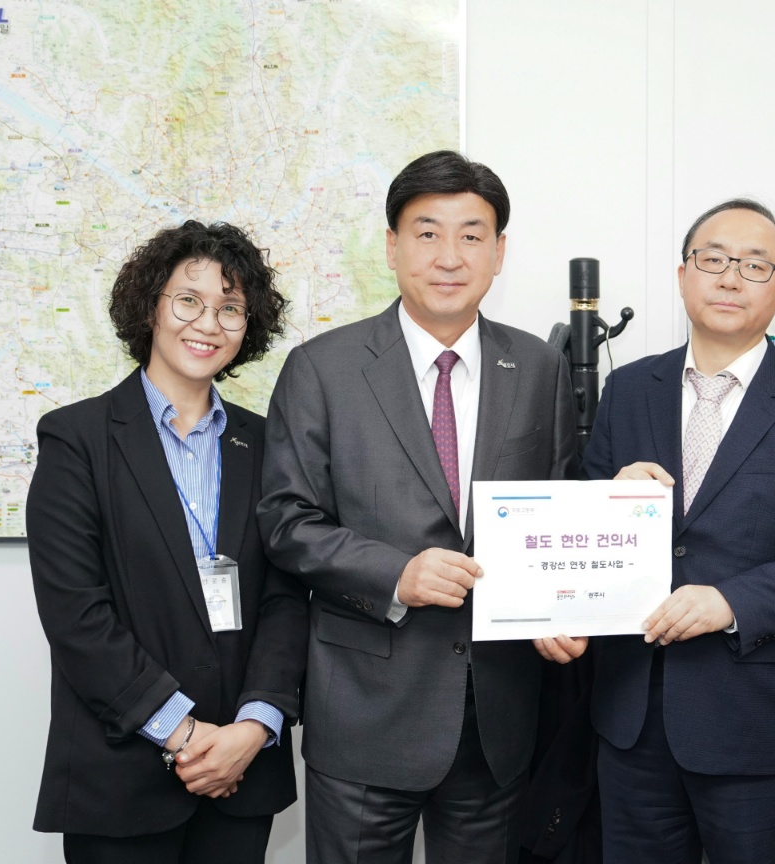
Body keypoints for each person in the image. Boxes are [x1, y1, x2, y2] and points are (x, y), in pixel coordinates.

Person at [257, 150, 580, 864]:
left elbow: (556, 507)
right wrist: (396, 574)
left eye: (471, 235)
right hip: (365, 710)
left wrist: (561, 607)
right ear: (392, 246)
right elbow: (285, 519)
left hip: (496, 716)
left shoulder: (538, 367)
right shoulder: (322, 368)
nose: (449, 256)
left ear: (499, 253)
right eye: (427, 233)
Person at [580, 198, 775, 864]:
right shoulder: (627, 389)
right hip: (632, 719)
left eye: (754, 265)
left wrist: (731, 602)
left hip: (757, 726)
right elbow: (583, 525)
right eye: (712, 259)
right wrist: (609, 499)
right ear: (683, 275)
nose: (730, 277)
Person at [27, 221, 306, 863]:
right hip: (120, 773)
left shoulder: (266, 443)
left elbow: (286, 598)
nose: (208, 323)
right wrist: (184, 735)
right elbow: (76, 614)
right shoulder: (77, 439)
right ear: (150, 305)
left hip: (241, 772)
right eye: (188, 300)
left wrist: (254, 727)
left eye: (230, 308)